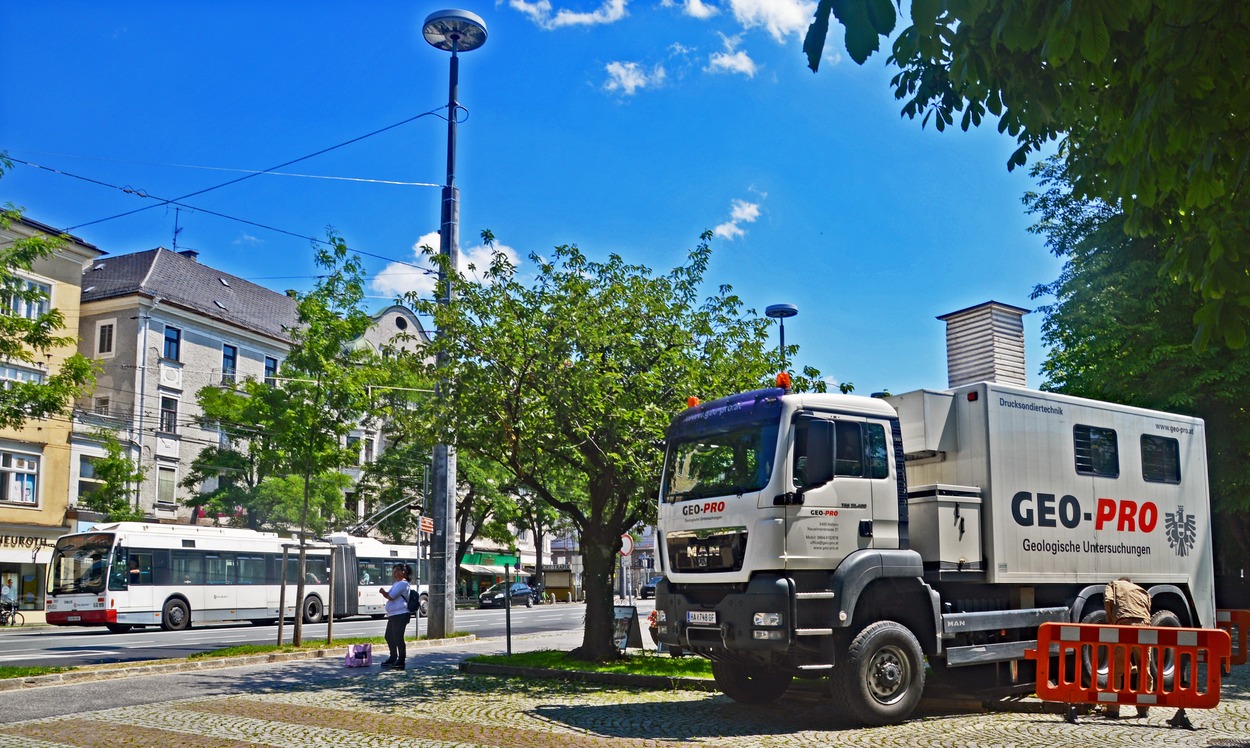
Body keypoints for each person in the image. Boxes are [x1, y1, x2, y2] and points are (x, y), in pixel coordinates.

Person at [1103, 577, 1193, 730]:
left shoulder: (1114, 584)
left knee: (1117, 669)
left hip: (1124, 624)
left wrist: (1111, 620)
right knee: (1144, 668)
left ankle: (1113, 709)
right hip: (1145, 626)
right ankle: (1143, 708)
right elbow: (1147, 608)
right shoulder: (1141, 590)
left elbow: (1108, 600)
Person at [378, 563, 411, 670]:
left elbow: (391, 596)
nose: (394, 573)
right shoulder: (397, 583)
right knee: (389, 636)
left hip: (400, 614)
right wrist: (385, 593)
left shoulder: (403, 584)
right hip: (394, 614)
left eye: (397, 570)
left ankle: (401, 660)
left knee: (398, 638)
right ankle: (393, 657)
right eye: (394, 571)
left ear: (403, 572)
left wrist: (383, 593)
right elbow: (390, 595)